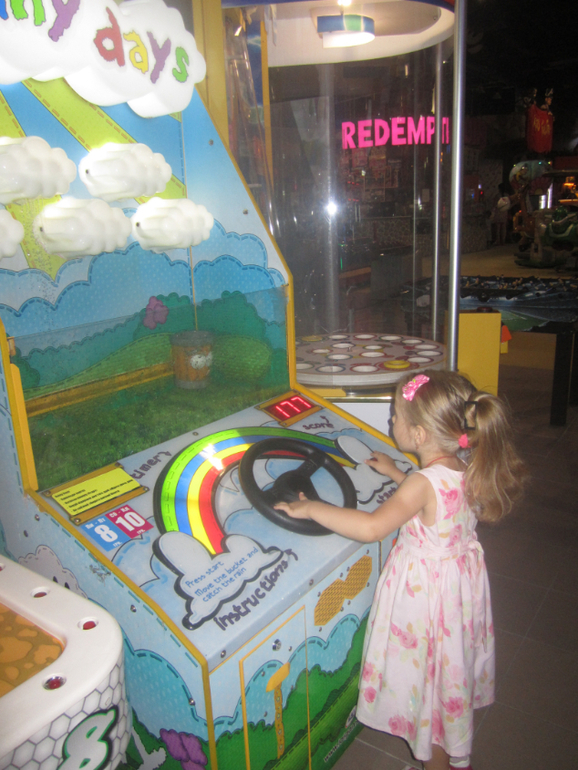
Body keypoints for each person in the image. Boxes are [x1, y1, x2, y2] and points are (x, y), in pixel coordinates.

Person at [274, 371, 527, 770]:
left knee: (428, 687)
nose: (391, 422)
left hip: (426, 601)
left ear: (420, 435)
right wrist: (395, 473)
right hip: (454, 596)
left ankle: (437, 763)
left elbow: (372, 527)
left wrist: (310, 508)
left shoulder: (421, 484)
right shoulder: (465, 464)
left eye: (395, 416)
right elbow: (433, 498)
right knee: (444, 681)